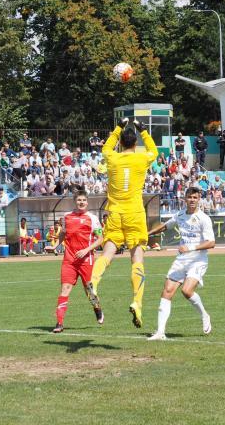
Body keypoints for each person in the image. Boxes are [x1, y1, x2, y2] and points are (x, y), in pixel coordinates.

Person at [88, 118, 157, 329]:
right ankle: (137, 300)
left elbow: (106, 147)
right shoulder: (142, 158)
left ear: (121, 143)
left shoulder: (112, 157)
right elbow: (154, 151)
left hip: (115, 212)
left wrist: (118, 127)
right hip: (134, 213)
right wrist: (143, 130)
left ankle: (94, 281)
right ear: (135, 144)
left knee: (107, 253)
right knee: (137, 257)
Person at [146, 187, 216, 340]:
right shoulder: (180, 214)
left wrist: (190, 247)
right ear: (185, 198)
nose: (192, 200)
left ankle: (204, 315)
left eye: (195, 198)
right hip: (181, 259)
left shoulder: (204, 218)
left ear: (199, 199)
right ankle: (160, 332)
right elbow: (166, 225)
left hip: (197, 260)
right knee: (167, 290)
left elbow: (211, 243)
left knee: (186, 291)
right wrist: (148, 234)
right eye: (189, 197)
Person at [46, 191, 104, 333]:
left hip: (86, 260)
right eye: (79, 200)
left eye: (84, 200)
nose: (81, 202)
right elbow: (63, 234)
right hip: (69, 260)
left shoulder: (92, 218)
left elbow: (100, 239)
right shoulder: (67, 217)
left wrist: (86, 250)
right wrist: (54, 246)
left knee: (89, 291)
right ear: (75, 201)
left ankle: (97, 309)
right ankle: (59, 323)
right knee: (65, 289)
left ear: (87, 202)